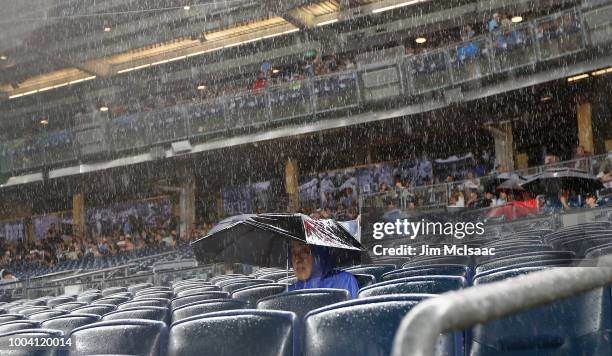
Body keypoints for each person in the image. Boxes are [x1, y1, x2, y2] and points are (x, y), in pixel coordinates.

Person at [288, 239, 359, 299]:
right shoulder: (288, 294)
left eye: (304, 251)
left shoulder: (344, 282)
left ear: (318, 254)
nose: (297, 259)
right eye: (293, 252)